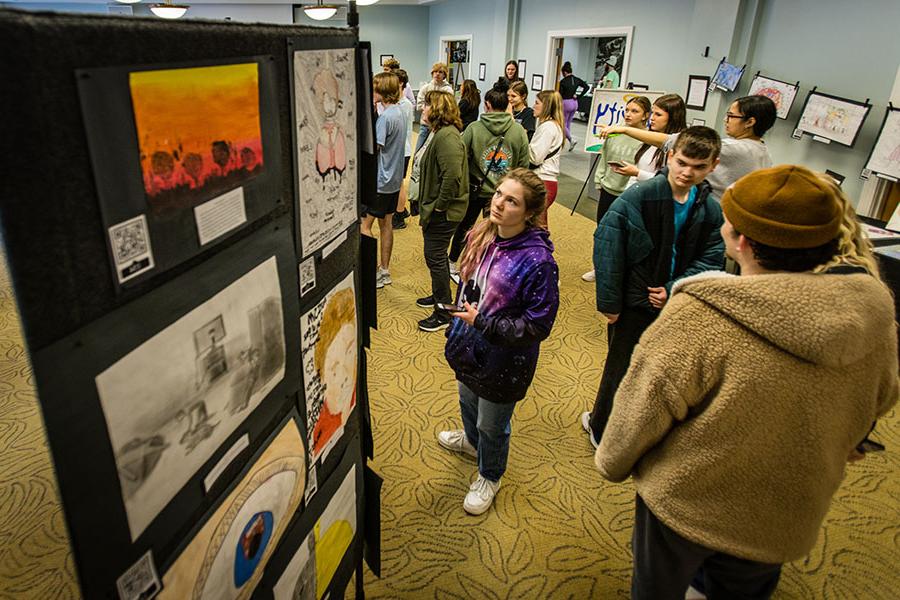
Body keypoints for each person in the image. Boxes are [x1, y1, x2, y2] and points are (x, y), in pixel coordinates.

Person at [594, 165, 898, 600]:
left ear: (740, 241)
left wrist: (612, 462)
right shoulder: (874, 308)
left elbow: (643, 407)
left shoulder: (699, 313)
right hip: (786, 513)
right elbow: (883, 394)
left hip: (686, 506)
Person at [581, 126, 724, 447]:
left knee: (660, 369)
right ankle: (601, 426)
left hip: (675, 305)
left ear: (713, 165)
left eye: (699, 167)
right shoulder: (640, 196)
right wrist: (610, 304)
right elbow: (608, 246)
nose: (688, 173)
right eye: (683, 162)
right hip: (632, 303)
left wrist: (674, 289)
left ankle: (639, 426)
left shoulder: (710, 208)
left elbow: (712, 257)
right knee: (620, 368)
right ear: (671, 156)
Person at [438, 168, 560, 515]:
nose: (499, 204)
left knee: (492, 424)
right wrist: (462, 323)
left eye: (512, 201)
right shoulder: (482, 233)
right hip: (468, 344)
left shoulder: (539, 261)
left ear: (529, 212)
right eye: (498, 194)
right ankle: (471, 442)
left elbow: (538, 325)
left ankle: (490, 473)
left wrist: (485, 323)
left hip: (504, 360)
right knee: (467, 402)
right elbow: (469, 287)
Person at [600, 95, 777, 199]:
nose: (726, 120)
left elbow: (669, 141)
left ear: (750, 122)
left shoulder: (734, 148)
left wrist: (624, 129)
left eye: (731, 115)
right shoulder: (762, 151)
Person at [448, 86, 530, 283]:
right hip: (504, 193)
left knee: (465, 226)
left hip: (475, 189)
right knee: (499, 232)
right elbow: (523, 166)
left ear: (487, 105)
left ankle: (452, 263)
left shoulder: (473, 129)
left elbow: (460, 158)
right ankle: (493, 269)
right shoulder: (518, 131)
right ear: (507, 105)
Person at [581, 95, 652, 282]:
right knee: (603, 232)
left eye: (634, 111)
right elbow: (603, 159)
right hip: (608, 190)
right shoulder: (614, 133)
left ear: (646, 115)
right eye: (627, 110)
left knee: (626, 236)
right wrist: (599, 182)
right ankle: (599, 269)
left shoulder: (648, 140)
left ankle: (622, 272)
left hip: (630, 194)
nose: (628, 114)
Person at [416, 91, 468, 332]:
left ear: (436, 109)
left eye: (426, 105)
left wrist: (438, 205)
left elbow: (452, 177)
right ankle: (439, 296)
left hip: (444, 211)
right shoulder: (439, 133)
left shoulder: (447, 137)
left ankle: (444, 309)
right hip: (439, 208)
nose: (422, 109)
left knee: (435, 256)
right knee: (435, 257)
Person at [363, 72, 406, 289]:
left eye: (375, 89)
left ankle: (370, 272)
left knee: (364, 226)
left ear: (383, 91)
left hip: (380, 181)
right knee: (386, 224)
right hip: (394, 179)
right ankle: (384, 270)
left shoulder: (386, 118)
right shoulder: (399, 112)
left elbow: (374, 150)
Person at [528, 90, 565, 230]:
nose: (533, 106)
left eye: (537, 103)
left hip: (543, 180)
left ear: (546, 106)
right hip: (547, 181)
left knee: (536, 227)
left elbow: (535, 157)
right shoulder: (554, 126)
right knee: (538, 225)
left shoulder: (547, 127)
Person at [392, 69, 415, 230]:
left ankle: (399, 217)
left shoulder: (405, 104)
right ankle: (402, 209)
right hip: (396, 149)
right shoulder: (395, 102)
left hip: (402, 149)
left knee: (399, 183)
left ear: (400, 83)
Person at [415, 63, 453, 154]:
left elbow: (448, 108)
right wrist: (435, 108)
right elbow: (419, 106)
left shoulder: (447, 90)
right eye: (435, 71)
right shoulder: (425, 88)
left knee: (435, 152)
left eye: (440, 72)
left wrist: (430, 108)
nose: (437, 74)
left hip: (440, 126)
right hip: (425, 125)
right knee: (418, 151)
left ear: (444, 74)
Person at [559, 61, 589, 151]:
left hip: (566, 103)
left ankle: (571, 139)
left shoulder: (563, 82)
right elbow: (586, 87)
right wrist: (579, 96)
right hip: (575, 103)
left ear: (564, 72)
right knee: (568, 124)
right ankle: (566, 141)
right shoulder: (576, 79)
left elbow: (560, 94)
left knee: (562, 123)